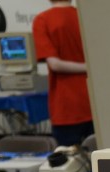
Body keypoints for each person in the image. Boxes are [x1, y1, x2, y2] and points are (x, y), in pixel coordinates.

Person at [31, 0, 93, 147]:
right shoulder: (85, 17)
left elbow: (55, 64)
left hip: (66, 106)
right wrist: (89, 67)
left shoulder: (42, 20)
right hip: (93, 102)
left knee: (69, 163)